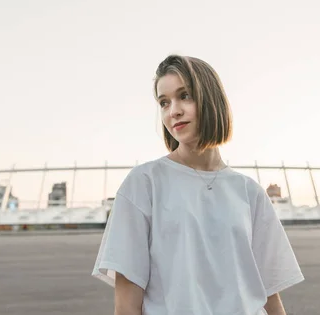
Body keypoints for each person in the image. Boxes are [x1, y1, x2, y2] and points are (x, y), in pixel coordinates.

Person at [92, 55, 304, 315]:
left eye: (185, 96)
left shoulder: (249, 192)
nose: (174, 111)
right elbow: (126, 304)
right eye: (164, 102)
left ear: (211, 99)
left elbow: (269, 295)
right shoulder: (143, 184)